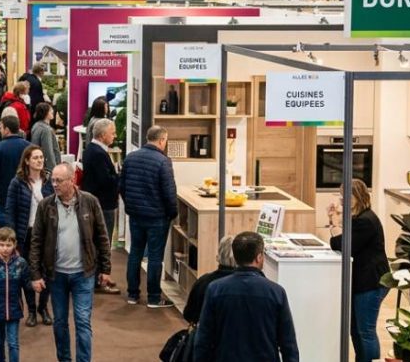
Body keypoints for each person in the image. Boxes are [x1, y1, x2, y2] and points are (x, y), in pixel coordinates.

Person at [29, 163, 112, 362]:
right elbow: (36, 242)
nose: (55, 184)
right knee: (60, 323)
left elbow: (102, 236)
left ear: (72, 180)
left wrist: (106, 268)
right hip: (56, 275)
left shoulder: (90, 202)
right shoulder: (45, 205)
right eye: (53, 180)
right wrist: (36, 274)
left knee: (83, 321)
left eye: (59, 181)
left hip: (84, 274)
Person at [192, 232, 299, 362]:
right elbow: (288, 344)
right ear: (259, 257)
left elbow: (204, 339)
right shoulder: (276, 292)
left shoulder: (215, 289)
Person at [328, 179, 391, 362]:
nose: (341, 200)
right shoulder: (359, 217)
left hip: (372, 282)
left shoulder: (366, 221)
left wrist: (334, 224)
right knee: (356, 328)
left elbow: (341, 244)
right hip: (363, 281)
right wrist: (334, 219)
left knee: (365, 330)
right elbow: (340, 240)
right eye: (341, 196)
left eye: (345, 196)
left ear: (357, 197)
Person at [120, 125, 177, 308]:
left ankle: (133, 294)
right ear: (161, 140)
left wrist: (130, 205)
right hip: (156, 217)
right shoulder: (163, 161)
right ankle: (153, 297)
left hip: (136, 215)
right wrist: (172, 212)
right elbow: (169, 192)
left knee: (135, 253)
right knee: (154, 257)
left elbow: (121, 186)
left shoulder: (130, 158)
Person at [5, 145, 53, 328]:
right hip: (25, 233)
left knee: (48, 270)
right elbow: (10, 210)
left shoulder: (49, 181)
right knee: (27, 273)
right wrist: (12, 238)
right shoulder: (17, 182)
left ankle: (43, 307)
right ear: (27, 161)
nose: (40, 160)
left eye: (41, 157)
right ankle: (32, 310)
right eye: (35, 158)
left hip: (46, 233)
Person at [79, 118, 122, 295]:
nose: (115, 136)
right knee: (102, 242)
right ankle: (99, 278)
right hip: (103, 204)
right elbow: (105, 181)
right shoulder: (97, 153)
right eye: (112, 133)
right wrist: (119, 175)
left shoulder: (92, 149)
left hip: (99, 202)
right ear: (103, 135)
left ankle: (101, 275)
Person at [0, 228, 28, 362]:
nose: (5, 248)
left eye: (8, 245)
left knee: (13, 342)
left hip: (14, 309)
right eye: (2, 245)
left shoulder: (21, 263)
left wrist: (35, 285)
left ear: (14, 244)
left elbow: (27, 284)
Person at [0, 115, 30, 229]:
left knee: (5, 234)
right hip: (24, 195)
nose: (0, 130)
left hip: (2, 197)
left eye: (1, 128)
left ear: (7, 129)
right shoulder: (28, 147)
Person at [183, 235, 236, 324]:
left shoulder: (203, 281)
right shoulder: (247, 286)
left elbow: (188, 315)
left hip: (205, 334)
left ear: (218, 256)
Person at [30, 103, 62, 171]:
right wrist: (53, 170)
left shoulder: (35, 126)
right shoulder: (46, 130)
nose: (52, 111)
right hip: (47, 168)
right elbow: (48, 152)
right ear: (45, 113)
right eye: (50, 110)